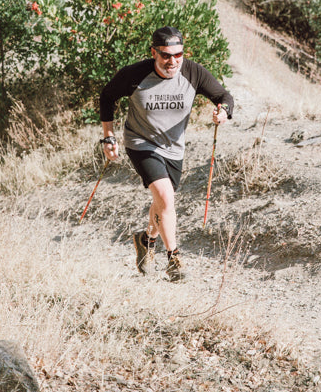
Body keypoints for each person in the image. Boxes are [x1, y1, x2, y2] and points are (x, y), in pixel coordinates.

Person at [99, 26, 234, 282]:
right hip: (141, 142)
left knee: (162, 203)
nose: (172, 61)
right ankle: (174, 259)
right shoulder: (135, 74)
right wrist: (109, 136)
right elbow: (107, 96)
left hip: (174, 147)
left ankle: (146, 239)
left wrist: (223, 111)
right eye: (165, 55)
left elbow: (222, 95)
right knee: (165, 198)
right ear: (154, 53)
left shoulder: (193, 72)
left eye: (178, 54)